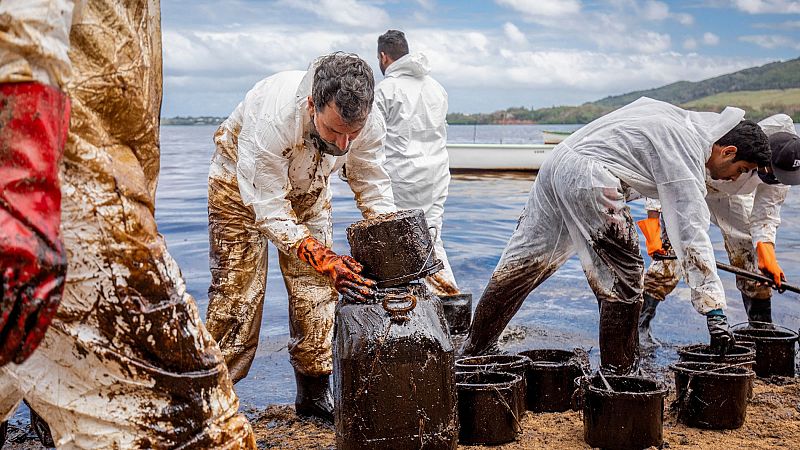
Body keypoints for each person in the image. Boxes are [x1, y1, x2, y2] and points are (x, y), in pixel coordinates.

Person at [0, 0, 255, 447]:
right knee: (191, 423)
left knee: (22, 351)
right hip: (67, 177)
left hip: (93, 173)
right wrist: (20, 176)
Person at [460, 97, 771, 374]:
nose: (737, 178)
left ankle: (474, 352)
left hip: (558, 162)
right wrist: (715, 312)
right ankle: (619, 374)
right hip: (591, 175)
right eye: (742, 168)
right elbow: (692, 233)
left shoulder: (679, 120)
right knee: (625, 275)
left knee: (525, 262)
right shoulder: (688, 147)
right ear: (728, 150)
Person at [205, 52, 396, 423]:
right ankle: (211, 398)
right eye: (333, 131)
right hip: (239, 194)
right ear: (312, 105)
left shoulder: (366, 123)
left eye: (351, 134)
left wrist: (387, 234)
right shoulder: (272, 117)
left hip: (309, 191)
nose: (343, 145)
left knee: (317, 293)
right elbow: (269, 207)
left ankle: (312, 395)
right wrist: (322, 255)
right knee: (237, 298)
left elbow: (370, 180)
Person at [638, 114, 800, 346]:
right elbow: (665, 167)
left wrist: (767, 253)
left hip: (730, 194)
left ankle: (761, 328)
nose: (774, 179)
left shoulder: (786, 167)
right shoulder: (733, 138)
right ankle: (640, 326)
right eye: (770, 172)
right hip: (693, 179)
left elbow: (766, 212)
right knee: (671, 254)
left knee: (749, 256)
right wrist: (654, 217)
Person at [374, 29, 460, 297]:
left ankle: (405, 309)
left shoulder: (385, 90)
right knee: (432, 238)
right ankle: (449, 301)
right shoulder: (436, 88)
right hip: (436, 175)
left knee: (397, 245)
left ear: (383, 57)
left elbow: (372, 141)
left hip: (400, 178)